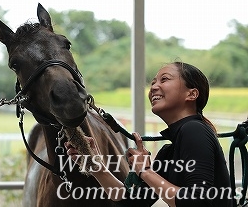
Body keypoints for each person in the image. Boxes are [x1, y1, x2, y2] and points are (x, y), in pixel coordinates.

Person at [65, 61, 233, 207]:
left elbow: (196, 202)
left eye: (164, 79)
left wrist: (145, 171)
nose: (153, 87)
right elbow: (131, 202)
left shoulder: (194, 130)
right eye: (153, 82)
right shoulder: (170, 151)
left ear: (192, 94)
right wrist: (96, 166)